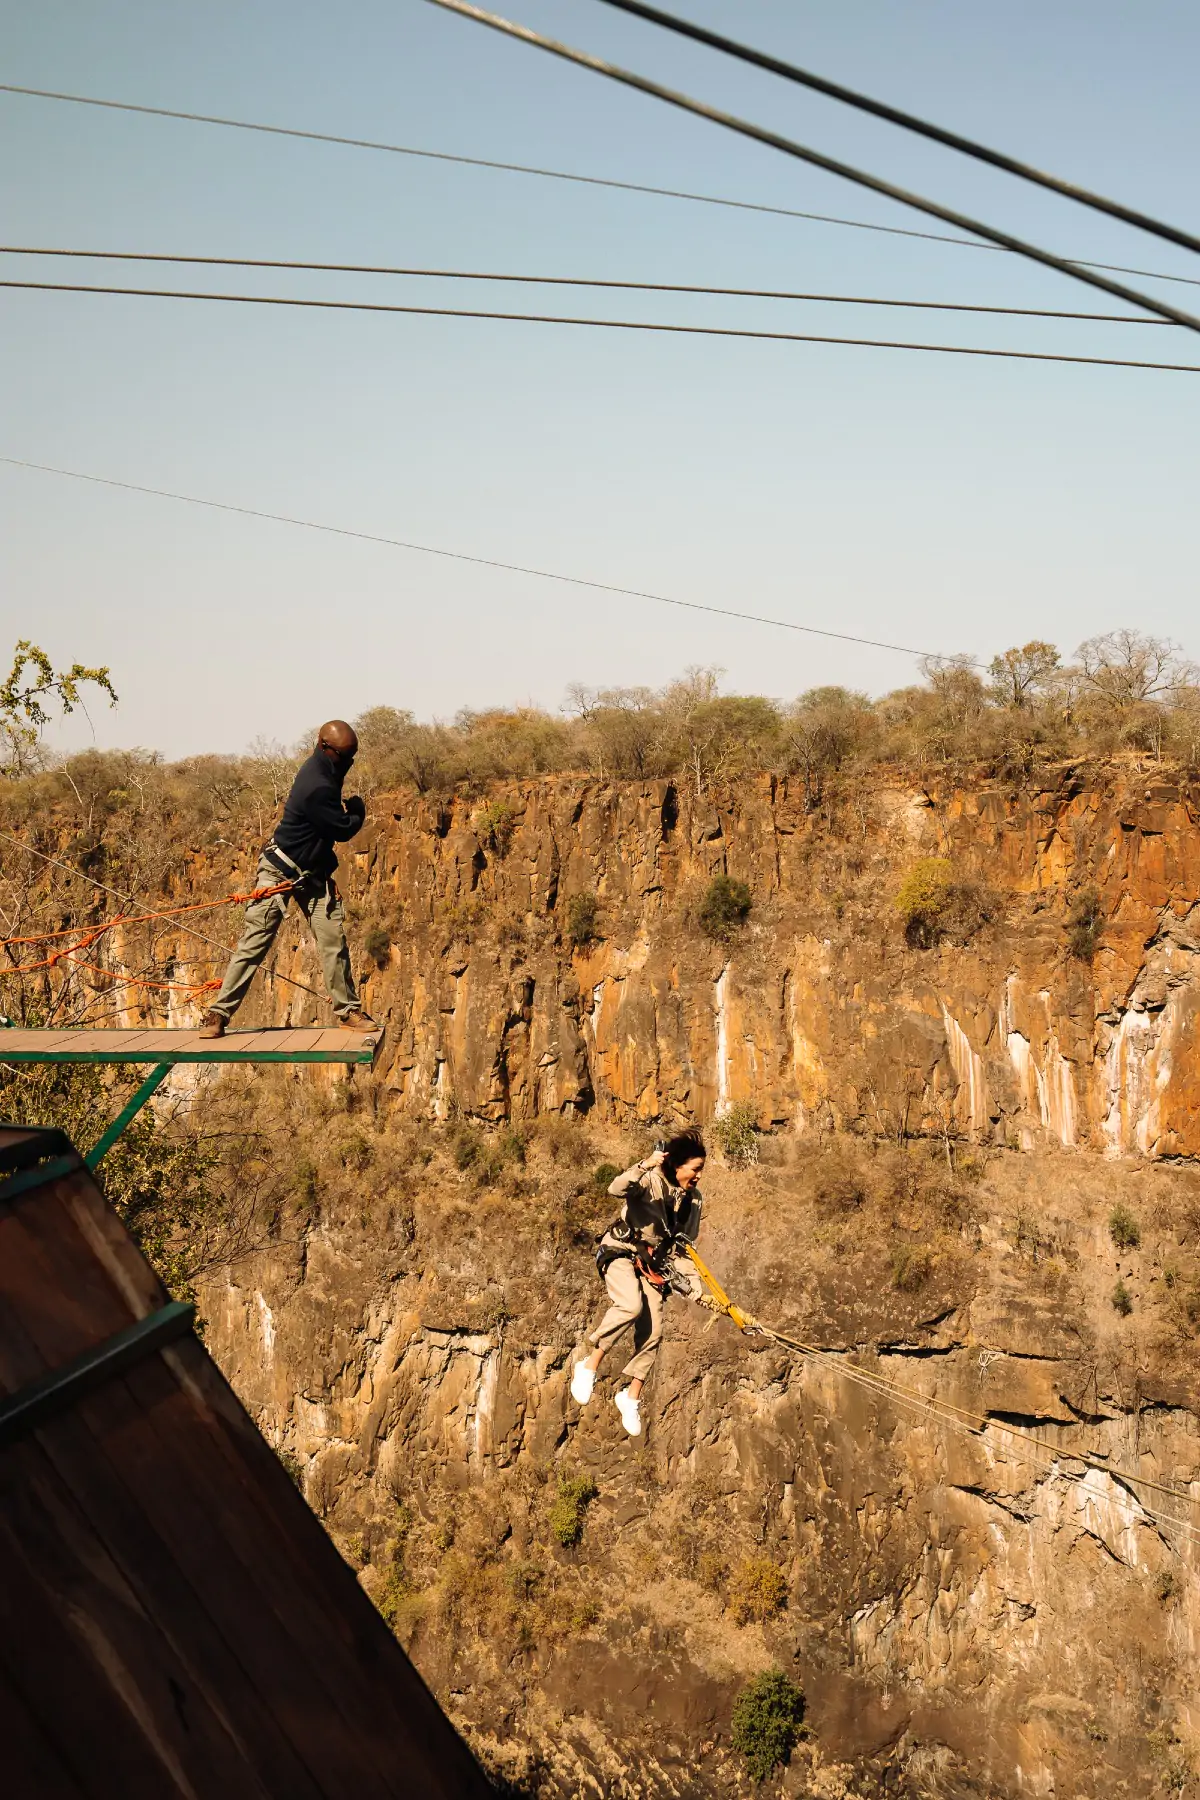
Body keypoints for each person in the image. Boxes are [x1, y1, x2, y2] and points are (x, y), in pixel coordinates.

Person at [200, 720, 376, 1038]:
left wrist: (327, 870)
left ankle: (348, 1010)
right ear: (325, 747)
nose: (349, 762)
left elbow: (319, 836)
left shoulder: (329, 766)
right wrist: (359, 811)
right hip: (279, 871)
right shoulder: (317, 784)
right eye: (345, 756)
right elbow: (342, 829)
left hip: (312, 873)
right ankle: (218, 1014)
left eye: (353, 756)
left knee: (333, 941)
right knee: (255, 942)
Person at [570, 1129, 712, 1437]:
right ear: (677, 1165)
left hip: (653, 1263)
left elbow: (683, 1245)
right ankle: (589, 1365)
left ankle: (630, 1396)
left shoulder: (693, 1200)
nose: (699, 1176)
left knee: (655, 1330)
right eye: (695, 1169)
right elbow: (615, 1188)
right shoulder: (649, 1180)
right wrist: (645, 1164)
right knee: (630, 1306)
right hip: (621, 1249)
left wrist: (695, 1286)